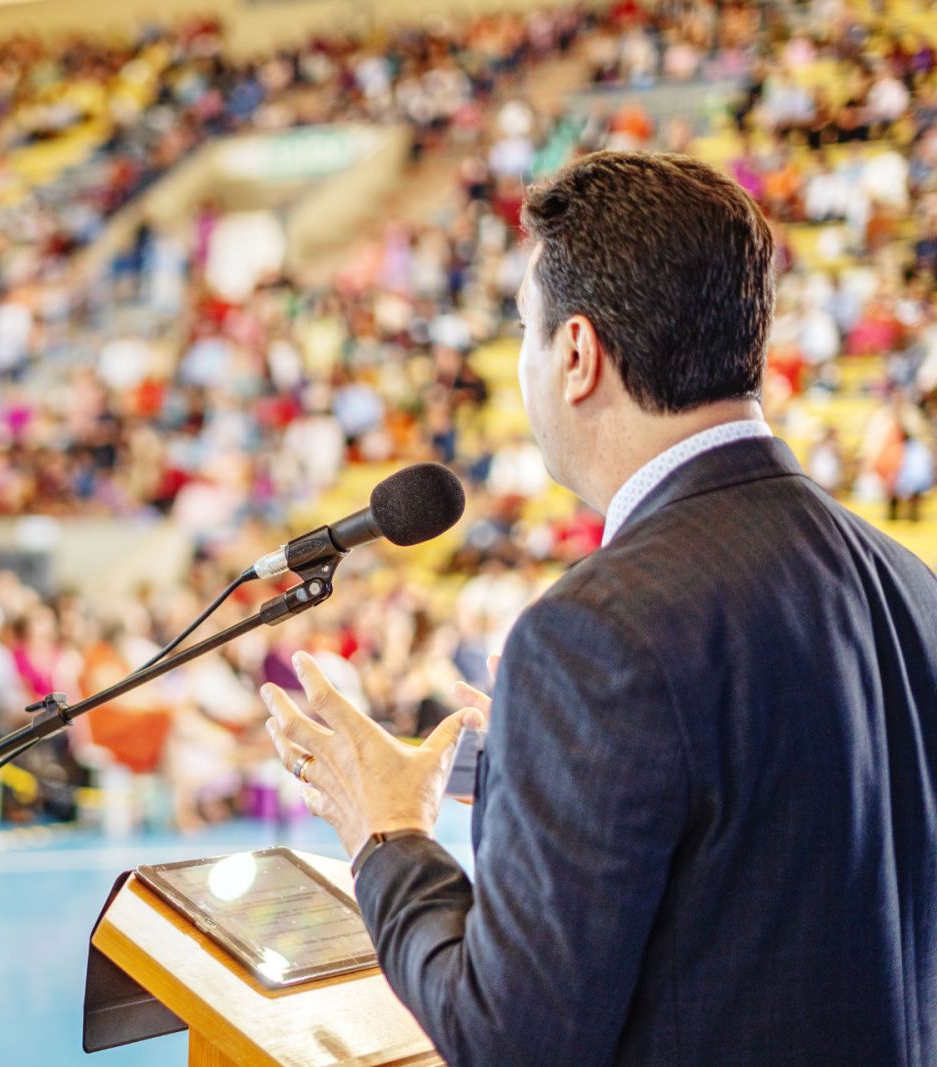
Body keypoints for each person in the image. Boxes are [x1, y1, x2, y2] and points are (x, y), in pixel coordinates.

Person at [264, 152, 937, 1066]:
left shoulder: (601, 629)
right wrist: (540, 771)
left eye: (526, 331)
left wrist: (387, 833)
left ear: (577, 353)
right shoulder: (906, 580)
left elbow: (512, 1039)